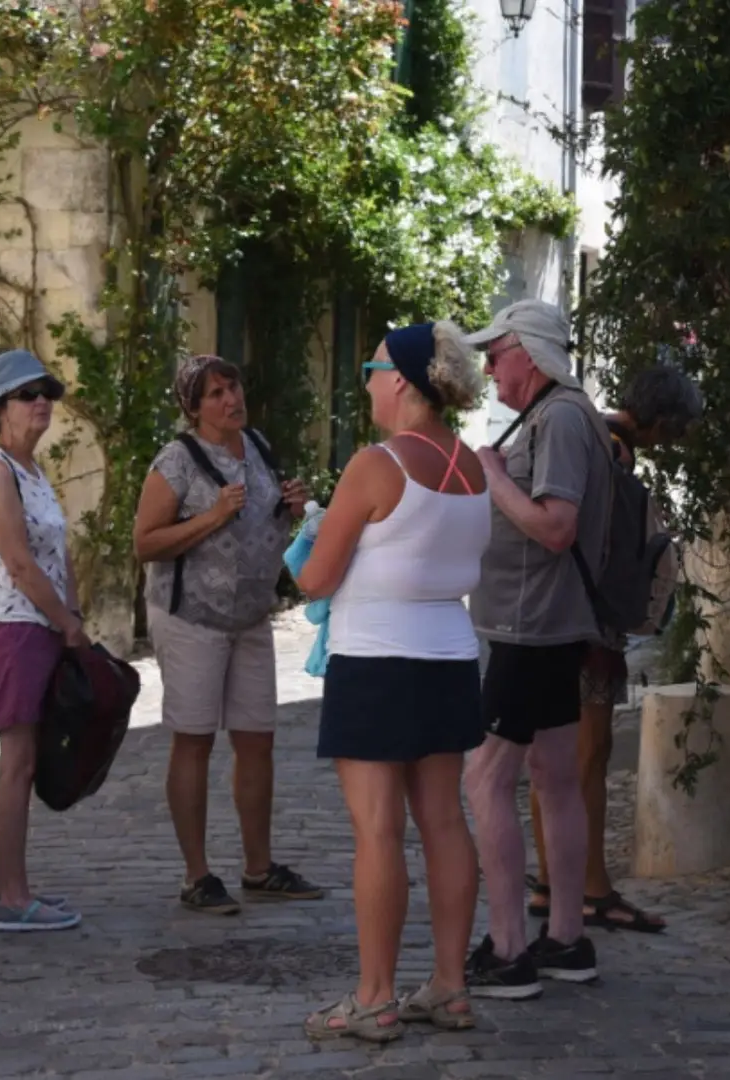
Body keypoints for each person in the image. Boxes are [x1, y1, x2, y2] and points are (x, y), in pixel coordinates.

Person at [292, 322, 491, 1042]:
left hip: (376, 659)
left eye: (373, 368)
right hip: (448, 656)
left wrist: (304, 544)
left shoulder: (377, 465)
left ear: (401, 380)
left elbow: (316, 575)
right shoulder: (471, 465)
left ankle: (374, 995)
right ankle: (449, 984)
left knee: (377, 828)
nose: (369, 381)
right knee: (444, 821)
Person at [132, 354, 322, 914]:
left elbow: (262, 524)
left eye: (233, 386)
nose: (230, 399)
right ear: (193, 408)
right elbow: (145, 542)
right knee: (194, 739)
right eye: (215, 394)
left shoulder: (258, 445)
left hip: (251, 617)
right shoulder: (177, 460)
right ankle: (197, 875)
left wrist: (290, 507)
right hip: (192, 618)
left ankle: (259, 868)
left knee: (257, 739)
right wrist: (211, 517)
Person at [462, 299, 613, 998]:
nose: (488, 364)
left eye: (497, 351)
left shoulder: (558, 418)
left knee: (486, 779)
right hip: (546, 624)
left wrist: (490, 473)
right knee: (552, 776)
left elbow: (555, 527)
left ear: (531, 352)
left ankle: (510, 948)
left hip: (532, 627)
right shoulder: (564, 414)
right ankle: (567, 940)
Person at [527, 362, 704, 933]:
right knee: (588, 754)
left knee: (552, 756)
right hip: (587, 628)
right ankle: (591, 887)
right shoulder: (614, 451)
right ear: (662, 421)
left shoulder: (579, 431)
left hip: (548, 620)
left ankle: (552, 880)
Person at [0, 349, 84, 932]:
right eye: (26, 394)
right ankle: (12, 896)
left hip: (38, 627)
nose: (41, 402)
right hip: (11, 629)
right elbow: (17, 562)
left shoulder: (32, 470)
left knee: (27, 759)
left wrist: (72, 614)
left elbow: (59, 552)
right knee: (17, 761)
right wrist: (65, 621)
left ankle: (3, 887)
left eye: (47, 393)